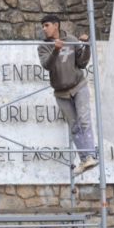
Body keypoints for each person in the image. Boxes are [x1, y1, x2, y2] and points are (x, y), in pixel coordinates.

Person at [37, 14, 99, 176]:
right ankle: (85, 159)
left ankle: (91, 155)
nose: (44, 29)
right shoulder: (43, 47)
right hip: (61, 92)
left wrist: (86, 46)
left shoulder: (70, 39)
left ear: (56, 25)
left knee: (85, 120)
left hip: (78, 86)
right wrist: (56, 50)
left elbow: (83, 63)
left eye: (47, 25)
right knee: (74, 127)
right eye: (43, 26)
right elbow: (47, 65)